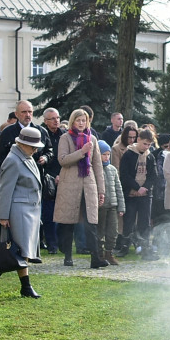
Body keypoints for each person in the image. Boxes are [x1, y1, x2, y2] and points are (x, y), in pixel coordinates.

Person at [0, 126, 44, 298]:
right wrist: (3, 216)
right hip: (19, 211)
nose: (35, 149)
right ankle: (26, 287)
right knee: (20, 252)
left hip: (29, 210)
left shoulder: (26, 157)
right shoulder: (13, 160)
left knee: (17, 252)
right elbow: (5, 190)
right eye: (33, 146)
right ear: (22, 144)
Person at [54, 108, 106, 268]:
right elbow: (62, 160)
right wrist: (81, 152)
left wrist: (101, 190)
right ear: (73, 122)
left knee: (91, 223)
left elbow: (98, 165)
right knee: (69, 222)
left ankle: (95, 258)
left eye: (84, 120)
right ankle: (68, 256)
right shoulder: (65, 137)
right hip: (70, 185)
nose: (82, 123)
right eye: (78, 120)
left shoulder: (93, 140)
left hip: (88, 185)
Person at [118, 129, 159, 260]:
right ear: (138, 140)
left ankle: (146, 249)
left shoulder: (150, 156)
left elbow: (153, 175)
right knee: (128, 221)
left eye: (149, 145)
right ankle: (124, 247)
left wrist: (145, 188)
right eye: (144, 143)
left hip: (146, 195)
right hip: (131, 194)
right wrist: (137, 187)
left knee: (145, 222)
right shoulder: (128, 155)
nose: (146, 147)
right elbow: (124, 175)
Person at [97, 141, 125, 265]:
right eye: (104, 154)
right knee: (100, 231)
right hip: (101, 206)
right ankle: (100, 253)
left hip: (113, 205)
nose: (107, 157)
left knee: (113, 231)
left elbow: (118, 188)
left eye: (108, 154)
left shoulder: (112, 169)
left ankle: (109, 253)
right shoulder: (95, 169)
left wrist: (121, 206)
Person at [40, 108, 64, 254]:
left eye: (57, 118)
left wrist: (61, 175)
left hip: (63, 177)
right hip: (47, 178)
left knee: (63, 214)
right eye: (52, 118)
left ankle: (62, 242)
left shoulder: (64, 135)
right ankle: (51, 244)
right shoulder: (42, 135)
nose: (56, 121)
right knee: (48, 214)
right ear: (45, 121)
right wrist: (51, 176)